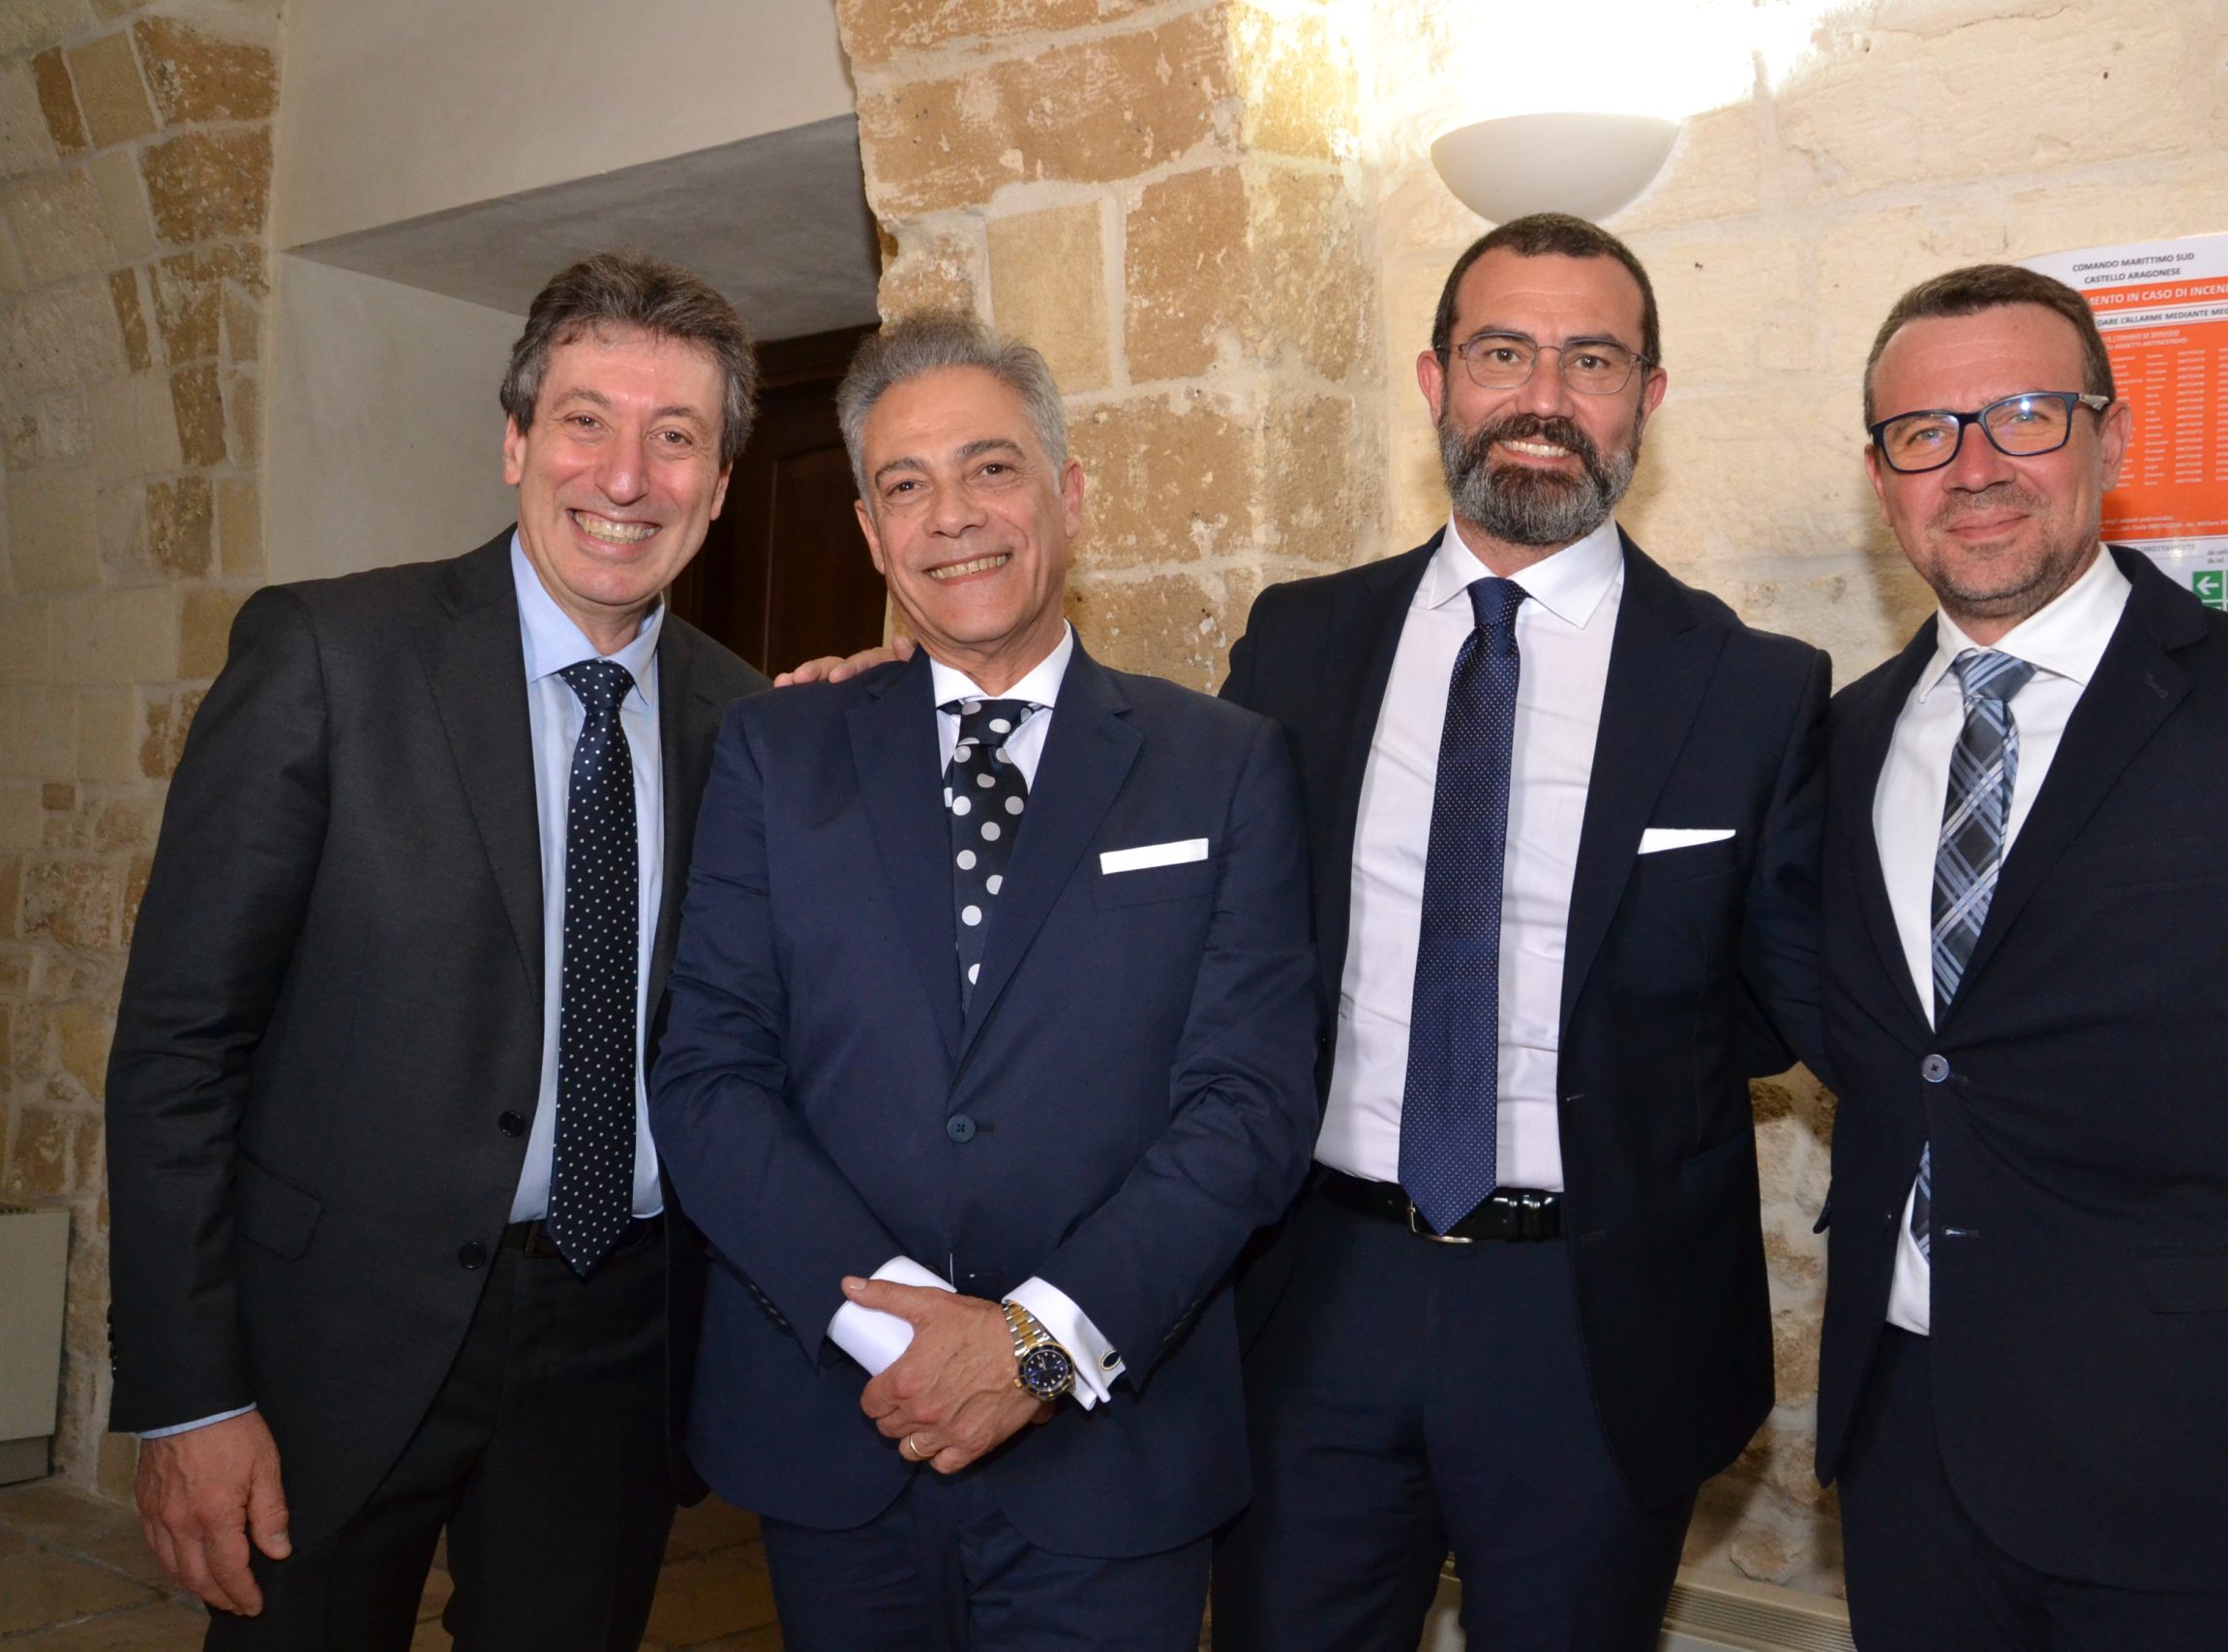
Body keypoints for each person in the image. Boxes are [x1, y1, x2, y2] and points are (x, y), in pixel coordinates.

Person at [105, 253, 769, 1649]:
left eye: (676, 438)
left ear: (718, 486)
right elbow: (179, 1047)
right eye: (585, 421)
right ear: (516, 440)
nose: (626, 477)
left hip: (620, 1341)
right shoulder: (327, 657)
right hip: (332, 1339)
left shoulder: (752, 725)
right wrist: (188, 1393)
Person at [1815, 262, 2228, 1650]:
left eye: (2026, 416)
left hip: (2198, 1481)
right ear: (1882, 479)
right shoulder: (1847, 737)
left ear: (2112, 438)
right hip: (1909, 1468)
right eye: (1925, 434)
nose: (1975, 467)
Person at [647, 311, 1322, 1652]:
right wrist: (900, 1334)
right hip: (840, 1429)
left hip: (1113, 1449)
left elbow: (1249, 1102)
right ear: (869, 531)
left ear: (1068, 494)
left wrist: (1033, 1345)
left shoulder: (1222, 765)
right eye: (906, 485)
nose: (952, 516)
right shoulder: (777, 754)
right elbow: (711, 1078)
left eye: (991, 468)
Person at [1207, 213, 1825, 1649]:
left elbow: (1770, 999)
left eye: (1591, 360)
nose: (1544, 397)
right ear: (1436, 380)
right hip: (1316, 1295)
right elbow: (1201, 913)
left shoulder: (1752, 687)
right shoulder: (1298, 641)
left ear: (1645, 400)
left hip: (1593, 1319)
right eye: (1503, 353)